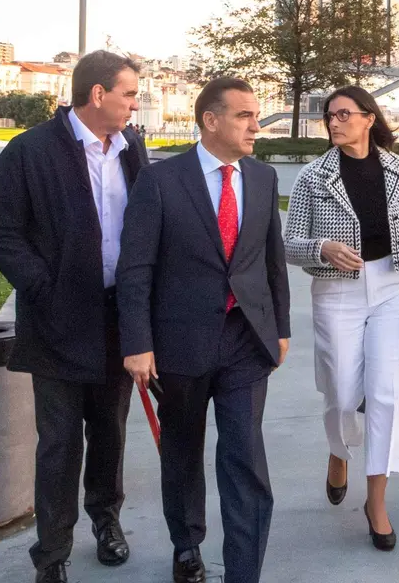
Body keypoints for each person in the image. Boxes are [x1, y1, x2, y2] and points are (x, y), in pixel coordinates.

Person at [0, 51, 148, 583]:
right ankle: (51, 554)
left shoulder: (132, 149)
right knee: (57, 444)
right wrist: (44, 287)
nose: (134, 104)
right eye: (128, 94)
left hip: (118, 318)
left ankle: (107, 521)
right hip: (56, 321)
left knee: (110, 433)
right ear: (98, 95)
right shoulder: (30, 151)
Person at [117, 77, 291, 583]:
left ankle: (244, 571)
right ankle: (187, 544)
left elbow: (271, 260)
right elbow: (135, 268)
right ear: (210, 121)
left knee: (244, 456)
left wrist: (280, 327)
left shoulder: (261, 178)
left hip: (245, 340)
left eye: (256, 115)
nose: (256, 125)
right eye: (244, 116)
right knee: (183, 450)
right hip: (180, 342)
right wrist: (138, 343)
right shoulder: (161, 181)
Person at [283, 85, 399, 552]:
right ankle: (337, 451)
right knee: (342, 390)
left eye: (344, 114)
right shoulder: (314, 176)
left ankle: (377, 500)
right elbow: (289, 242)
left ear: (369, 118)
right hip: (337, 290)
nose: (334, 122)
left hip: (391, 286)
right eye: (329, 116)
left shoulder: (397, 168)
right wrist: (322, 248)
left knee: (387, 393)